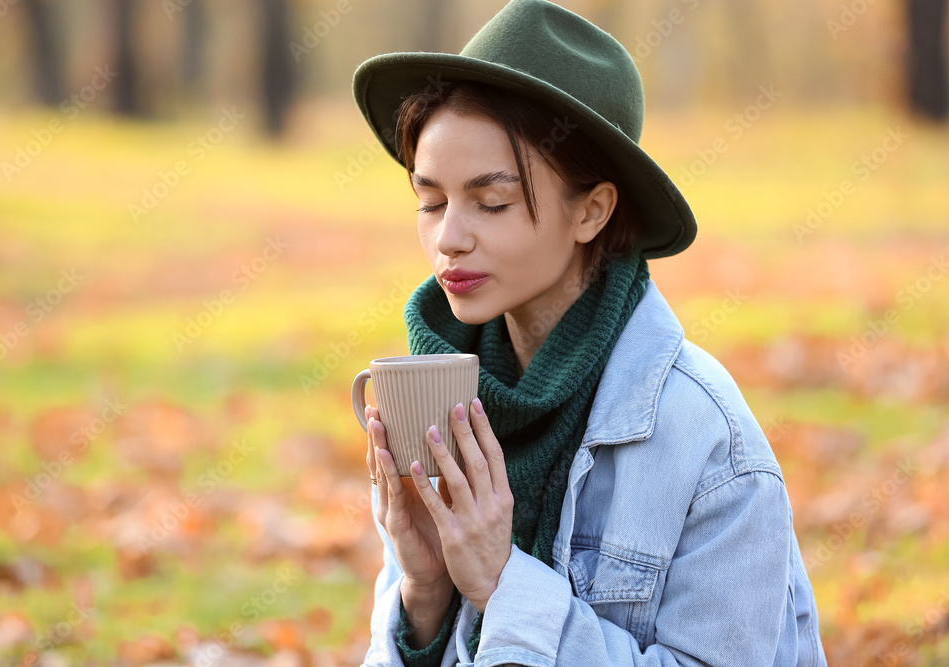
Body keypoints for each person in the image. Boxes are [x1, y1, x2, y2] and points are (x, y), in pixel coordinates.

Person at [352, 0, 827, 665]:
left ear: (593, 211)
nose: (448, 240)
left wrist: (502, 585)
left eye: (491, 202)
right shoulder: (445, 396)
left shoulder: (704, 436)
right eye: (430, 201)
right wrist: (424, 593)